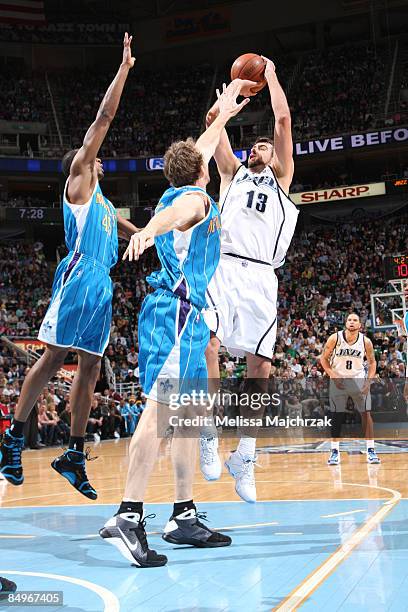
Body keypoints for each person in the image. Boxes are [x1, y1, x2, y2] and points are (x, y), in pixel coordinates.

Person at [100, 80, 252, 567]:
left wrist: (223, 114)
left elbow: (199, 153)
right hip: (178, 318)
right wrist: (148, 229)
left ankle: (183, 514)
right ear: (202, 173)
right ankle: (128, 514)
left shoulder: (177, 186)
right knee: (160, 416)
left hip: (174, 315)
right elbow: (185, 210)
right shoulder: (194, 202)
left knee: (184, 419)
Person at [0, 34, 140, 499]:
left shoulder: (102, 203)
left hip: (101, 284)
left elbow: (125, 226)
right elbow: (104, 118)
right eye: (93, 156)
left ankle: (75, 453)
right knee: (55, 355)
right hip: (80, 275)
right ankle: (13, 436)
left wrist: (156, 231)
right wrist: (123, 69)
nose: (98, 158)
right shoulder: (80, 179)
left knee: (92, 367)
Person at [200, 56, 299, 502]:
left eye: (265, 144)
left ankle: (244, 456)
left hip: (262, 277)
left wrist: (271, 75)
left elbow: (281, 117)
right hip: (224, 265)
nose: (259, 145)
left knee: (260, 368)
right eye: (254, 144)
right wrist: (234, 92)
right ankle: (207, 426)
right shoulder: (232, 174)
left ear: (276, 157)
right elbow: (212, 124)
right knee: (208, 341)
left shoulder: (282, 180)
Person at [320, 312, 380, 465]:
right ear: (345, 323)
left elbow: (372, 363)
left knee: (366, 414)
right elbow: (323, 359)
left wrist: (368, 382)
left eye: (355, 320)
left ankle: (371, 450)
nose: (352, 322)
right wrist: (333, 375)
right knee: (337, 415)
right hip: (338, 379)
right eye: (349, 320)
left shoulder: (366, 342)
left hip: (358, 379)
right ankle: (334, 451)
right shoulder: (335, 338)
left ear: (360, 325)